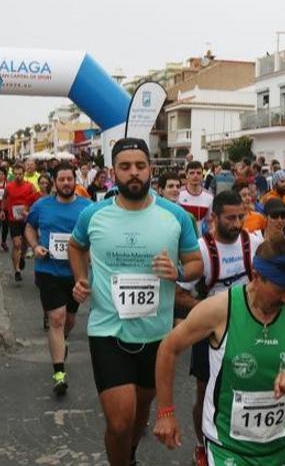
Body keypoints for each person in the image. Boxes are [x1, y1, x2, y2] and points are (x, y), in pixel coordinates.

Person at [153, 237, 285, 464]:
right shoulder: (220, 308)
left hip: (277, 444)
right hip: (226, 445)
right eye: (280, 290)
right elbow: (168, 348)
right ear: (257, 276)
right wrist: (165, 412)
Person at [68, 138, 203, 466]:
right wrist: (80, 278)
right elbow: (75, 246)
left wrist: (179, 271)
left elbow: (196, 262)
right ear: (113, 172)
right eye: (125, 167)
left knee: (140, 411)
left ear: (150, 170)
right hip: (107, 331)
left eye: (140, 166)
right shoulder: (94, 214)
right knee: (119, 421)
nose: (134, 173)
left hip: (156, 335)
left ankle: (127, 456)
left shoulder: (175, 216)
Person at [174, 191, 263, 466]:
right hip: (211, 330)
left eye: (241, 217)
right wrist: (207, 309)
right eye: (231, 218)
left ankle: (242, 440)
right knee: (206, 391)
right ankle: (202, 445)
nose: (237, 224)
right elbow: (178, 294)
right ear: (214, 218)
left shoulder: (254, 242)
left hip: (247, 327)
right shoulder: (201, 249)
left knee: (248, 387)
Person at [24, 163, 90, 396]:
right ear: (54, 182)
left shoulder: (87, 207)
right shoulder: (41, 206)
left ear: (75, 181)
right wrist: (35, 245)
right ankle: (59, 374)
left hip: (76, 272)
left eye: (69, 179)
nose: (66, 183)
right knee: (57, 318)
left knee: (69, 321)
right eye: (61, 179)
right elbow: (29, 228)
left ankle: (62, 342)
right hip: (48, 270)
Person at [4, 163, 40, 282]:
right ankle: (17, 270)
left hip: (26, 218)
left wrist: (31, 212)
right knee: (16, 244)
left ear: (24, 174)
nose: (18, 176)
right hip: (13, 218)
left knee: (25, 243)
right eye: (16, 174)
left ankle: (22, 257)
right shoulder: (8, 186)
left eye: (20, 174)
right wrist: (2, 211)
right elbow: (4, 198)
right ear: (13, 174)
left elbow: (36, 200)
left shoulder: (30, 186)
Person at [179, 161, 213, 232]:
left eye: (198, 173)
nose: (195, 176)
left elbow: (210, 222)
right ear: (186, 175)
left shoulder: (209, 197)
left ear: (202, 175)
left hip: (200, 240)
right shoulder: (178, 193)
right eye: (192, 173)